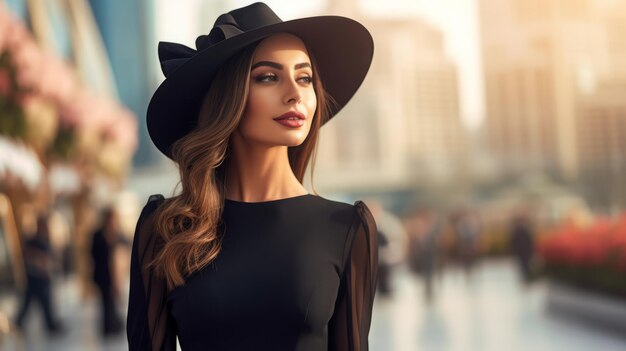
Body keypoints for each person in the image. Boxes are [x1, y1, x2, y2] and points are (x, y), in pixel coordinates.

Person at [127, 3, 378, 351]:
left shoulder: (347, 228)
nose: (295, 93)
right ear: (227, 97)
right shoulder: (166, 230)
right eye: (268, 77)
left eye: (304, 77)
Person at [14, 214, 65, 335]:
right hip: (34, 278)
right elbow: (28, 256)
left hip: (44, 277)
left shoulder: (45, 240)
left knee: (46, 303)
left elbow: (50, 258)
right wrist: (39, 259)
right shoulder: (32, 241)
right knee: (28, 303)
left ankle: (50, 324)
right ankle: (18, 324)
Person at [90, 207, 123, 336]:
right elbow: (94, 253)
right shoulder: (98, 234)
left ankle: (112, 325)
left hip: (111, 274)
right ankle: (108, 327)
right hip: (103, 274)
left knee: (111, 301)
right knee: (106, 301)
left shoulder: (114, 235)